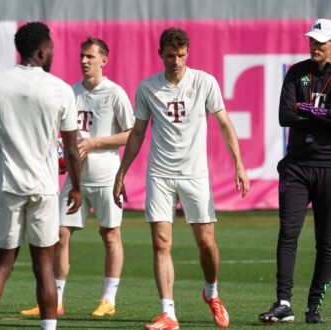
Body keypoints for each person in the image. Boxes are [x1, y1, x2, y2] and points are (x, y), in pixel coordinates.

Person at [113, 27, 249, 329]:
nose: (177, 60)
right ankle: (168, 313)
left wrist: (239, 164)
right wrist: (121, 173)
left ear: (188, 54)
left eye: (182, 55)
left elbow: (225, 124)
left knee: (207, 244)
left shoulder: (204, 82)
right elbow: (137, 133)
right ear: (160, 53)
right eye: (171, 55)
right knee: (161, 243)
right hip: (159, 174)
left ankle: (211, 292)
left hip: (195, 175)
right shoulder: (148, 87)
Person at [0, 22, 81, 330]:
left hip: (6, 187)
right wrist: (77, 187)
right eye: (52, 48)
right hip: (44, 190)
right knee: (44, 267)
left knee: (1, 265)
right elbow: (71, 148)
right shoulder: (60, 89)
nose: (53, 52)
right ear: (42, 51)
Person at [20, 36, 134, 317]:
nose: (84, 61)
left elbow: (132, 134)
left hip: (107, 177)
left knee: (110, 235)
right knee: (59, 234)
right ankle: (55, 300)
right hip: (75, 179)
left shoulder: (115, 94)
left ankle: (108, 300)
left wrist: (94, 143)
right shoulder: (70, 92)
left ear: (104, 60)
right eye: (82, 56)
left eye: (90, 57)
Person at [259, 18, 331, 325]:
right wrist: (319, 114)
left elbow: (301, 113)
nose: (313, 45)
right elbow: (284, 116)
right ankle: (283, 303)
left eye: (320, 41)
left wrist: (307, 109)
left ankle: (314, 305)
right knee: (288, 234)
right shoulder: (297, 72)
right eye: (311, 40)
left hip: (328, 167)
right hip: (297, 166)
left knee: (326, 241)